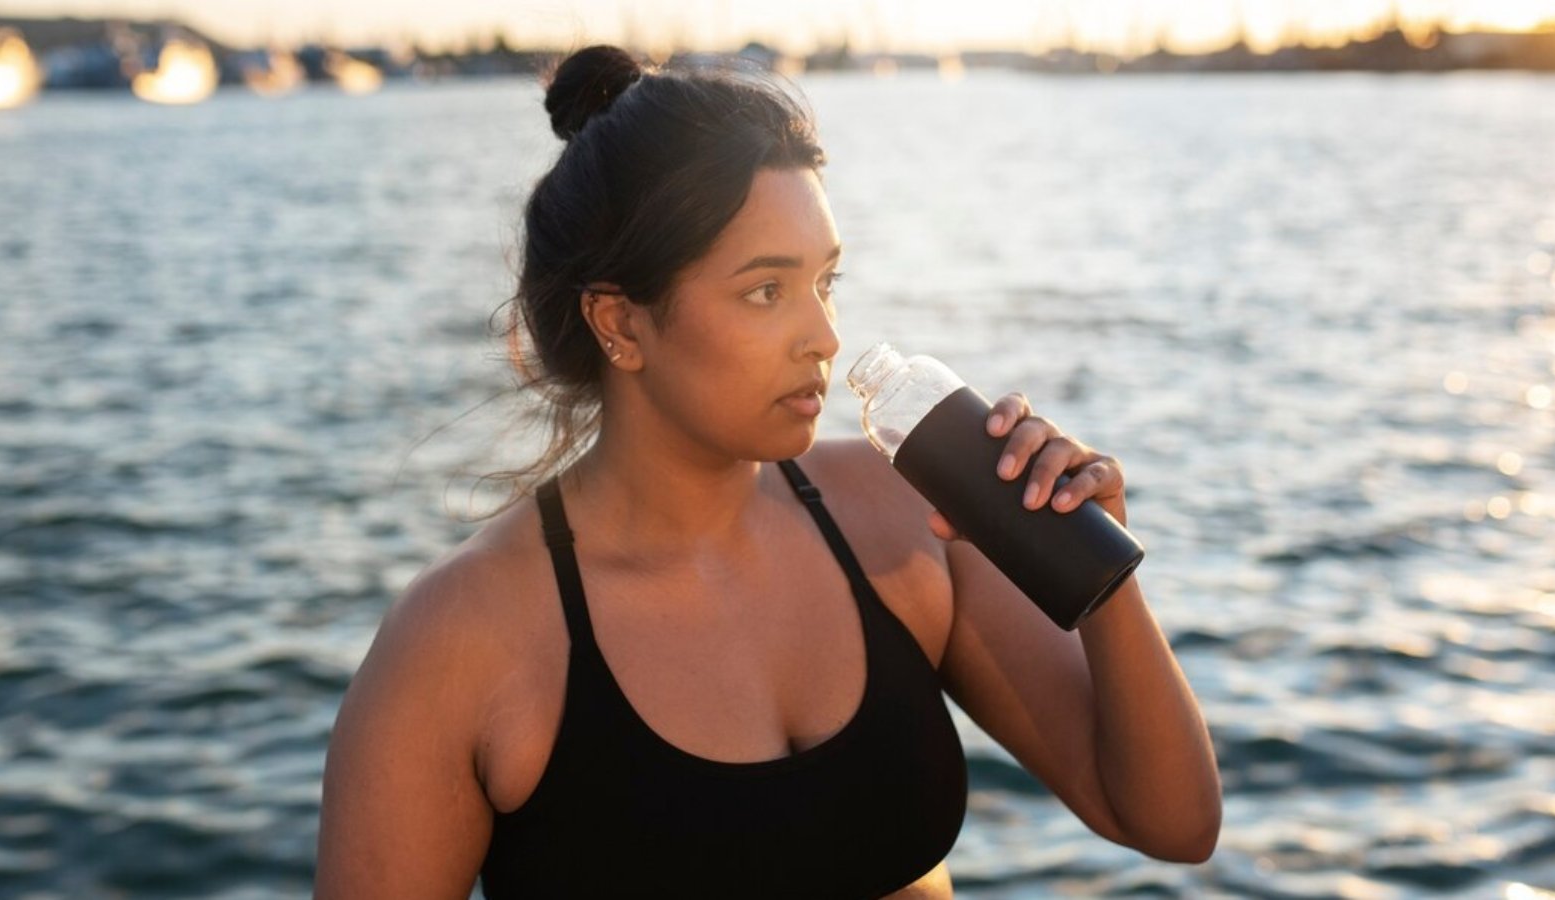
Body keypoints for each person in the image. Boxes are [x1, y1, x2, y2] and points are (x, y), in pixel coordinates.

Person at [315, 45, 1221, 899]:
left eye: (825, 282)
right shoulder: (462, 640)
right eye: (765, 291)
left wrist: (1098, 573)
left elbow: (1171, 823)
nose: (824, 336)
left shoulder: (902, 517)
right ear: (619, 325)